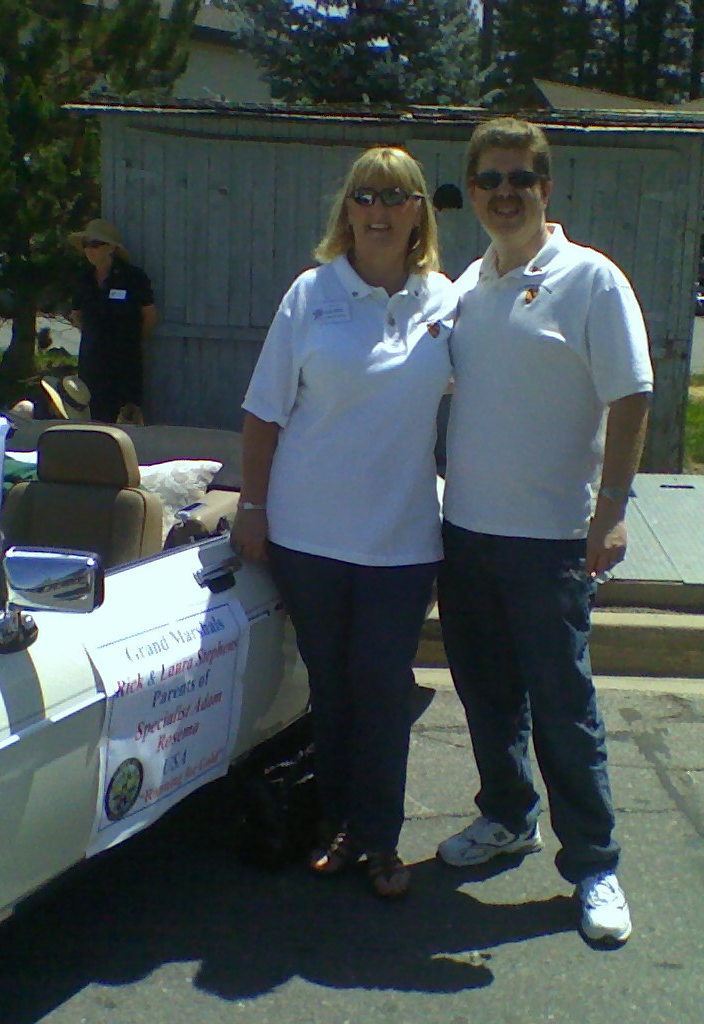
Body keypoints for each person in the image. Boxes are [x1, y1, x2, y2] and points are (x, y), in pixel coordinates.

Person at [436, 117, 653, 946]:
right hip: (466, 533)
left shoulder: (591, 279)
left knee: (564, 708)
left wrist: (613, 508)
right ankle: (508, 815)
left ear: (545, 187)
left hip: (552, 540)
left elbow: (631, 393)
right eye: (489, 180)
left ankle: (594, 863)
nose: (505, 193)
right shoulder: (467, 285)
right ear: (473, 192)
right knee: (488, 697)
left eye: (519, 178)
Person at [232, 146, 454, 899]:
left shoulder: (446, 302)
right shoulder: (311, 294)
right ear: (347, 210)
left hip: (403, 542)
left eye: (396, 197)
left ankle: (382, 839)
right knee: (332, 691)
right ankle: (338, 824)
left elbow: (494, 393)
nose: (379, 211)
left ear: (419, 212)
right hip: (308, 540)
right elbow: (264, 412)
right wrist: (253, 506)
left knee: (382, 691)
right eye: (365, 196)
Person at [68, 218, 157, 425]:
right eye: (86, 244)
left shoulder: (133, 278)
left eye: (95, 244)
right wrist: (94, 336)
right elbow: (76, 314)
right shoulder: (84, 279)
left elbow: (150, 315)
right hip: (92, 363)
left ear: (111, 248)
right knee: (94, 416)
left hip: (125, 364)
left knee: (127, 418)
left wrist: (131, 340)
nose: (89, 250)